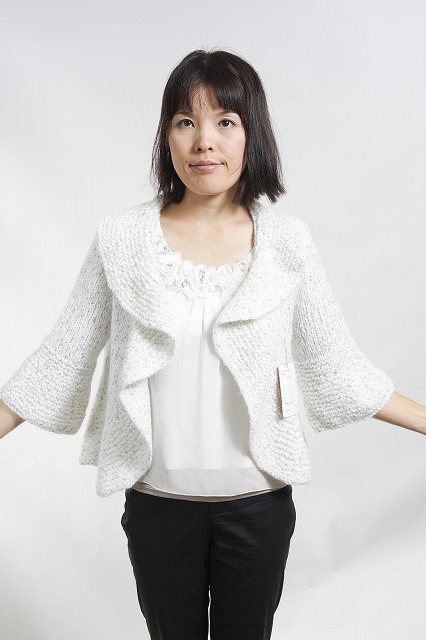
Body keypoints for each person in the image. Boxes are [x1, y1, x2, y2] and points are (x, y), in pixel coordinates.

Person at [0, 49, 425, 640]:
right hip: (157, 507)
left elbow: (338, 367)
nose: (204, 141)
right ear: (167, 138)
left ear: (252, 135)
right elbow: (61, 357)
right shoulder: (121, 240)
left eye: (225, 121)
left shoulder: (287, 244)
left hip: (258, 508)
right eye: (185, 121)